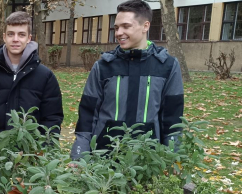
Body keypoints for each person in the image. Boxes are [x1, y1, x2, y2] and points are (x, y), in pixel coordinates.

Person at [70, 0, 184, 159]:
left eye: (126, 26)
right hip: (103, 161)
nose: (118, 32)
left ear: (145, 26)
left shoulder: (167, 66)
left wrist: (173, 160)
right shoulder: (103, 66)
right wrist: (78, 156)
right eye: (116, 27)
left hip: (148, 160)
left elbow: (173, 119)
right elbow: (87, 117)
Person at [0, 11, 63, 140]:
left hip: (31, 154)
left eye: (21, 35)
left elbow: (52, 119)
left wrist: (41, 152)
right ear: (4, 37)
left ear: (29, 38)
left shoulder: (45, 76)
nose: (15, 39)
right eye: (11, 34)